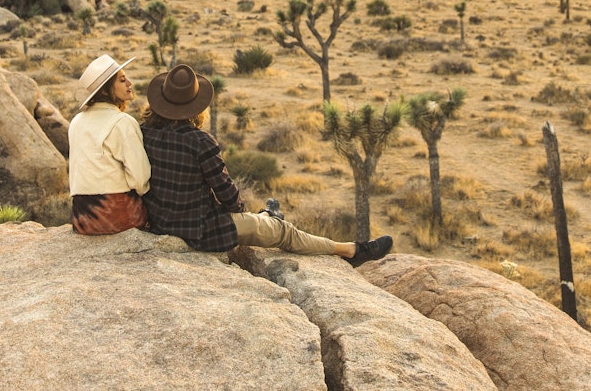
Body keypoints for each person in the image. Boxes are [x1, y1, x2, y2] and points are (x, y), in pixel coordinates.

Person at [140, 63, 392, 266]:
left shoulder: (143, 133)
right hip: (201, 231)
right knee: (284, 233)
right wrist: (237, 208)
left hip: (161, 223)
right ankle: (352, 250)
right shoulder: (200, 141)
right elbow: (229, 196)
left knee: (261, 221)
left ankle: (266, 216)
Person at [68, 54, 151, 235]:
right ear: (106, 90)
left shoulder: (76, 121)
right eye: (122, 80)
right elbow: (140, 179)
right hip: (116, 215)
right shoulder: (122, 122)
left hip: (82, 218)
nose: (129, 82)